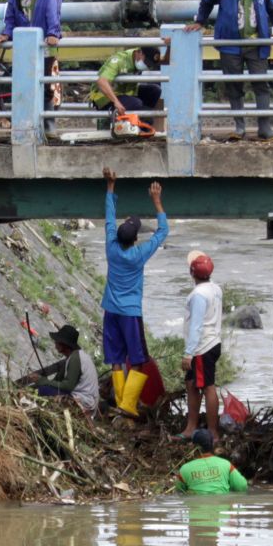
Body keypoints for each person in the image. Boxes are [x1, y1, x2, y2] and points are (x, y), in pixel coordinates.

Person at [186, 0, 273, 141]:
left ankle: (265, 128)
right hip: (229, 44)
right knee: (233, 85)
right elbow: (205, 0)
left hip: (257, 43)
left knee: (261, 84)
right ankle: (239, 128)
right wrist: (200, 21)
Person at [101, 167, 168, 417]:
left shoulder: (111, 246)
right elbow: (162, 233)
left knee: (116, 358)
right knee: (138, 358)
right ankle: (128, 404)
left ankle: (120, 400)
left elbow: (109, 217)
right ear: (135, 239)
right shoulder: (138, 255)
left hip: (110, 310)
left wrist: (111, 187)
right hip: (130, 312)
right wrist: (157, 201)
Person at [0, 0, 63, 133]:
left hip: (46, 43)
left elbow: (52, 10)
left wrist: (53, 33)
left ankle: (48, 126)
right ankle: (26, 125)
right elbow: (11, 15)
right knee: (24, 84)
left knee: (47, 85)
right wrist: (6, 33)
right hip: (24, 44)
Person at [177, 252, 224, 441]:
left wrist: (188, 354)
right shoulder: (215, 288)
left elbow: (196, 325)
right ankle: (191, 427)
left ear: (192, 273)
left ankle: (212, 432)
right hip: (212, 342)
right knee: (191, 384)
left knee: (207, 387)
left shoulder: (198, 295)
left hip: (202, 347)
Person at [28, 324, 100, 419]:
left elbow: (68, 386)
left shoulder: (75, 358)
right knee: (43, 388)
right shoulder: (73, 357)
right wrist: (42, 381)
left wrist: (44, 382)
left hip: (84, 402)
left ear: (64, 345)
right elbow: (58, 380)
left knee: (43, 390)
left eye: (57, 341)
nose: (55, 343)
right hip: (86, 400)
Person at [89, 46, 163, 115]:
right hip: (105, 98)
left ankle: (143, 118)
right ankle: (133, 121)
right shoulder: (119, 60)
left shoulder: (138, 61)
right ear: (139, 52)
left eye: (149, 65)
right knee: (136, 103)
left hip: (126, 95)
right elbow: (102, 82)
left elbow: (167, 60)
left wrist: (169, 43)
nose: (146, 66)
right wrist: (116, 102)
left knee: (155, 90)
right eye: (146, 62)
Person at [175, 429, 248, 494]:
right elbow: (242, 486)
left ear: (194, 447)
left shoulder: (185, 469)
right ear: (213, 444)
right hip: (222, 508)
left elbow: (179, 492)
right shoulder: (226, 464)